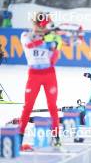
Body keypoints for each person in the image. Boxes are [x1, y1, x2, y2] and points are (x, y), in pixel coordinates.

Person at [19, 12, 62, 151]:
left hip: (49, 73)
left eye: (43, 26)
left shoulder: (49, 38)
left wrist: (56, 47)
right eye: (39, 25)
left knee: (52, 106)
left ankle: (56, 137)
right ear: (34, 24)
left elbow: (53, 60)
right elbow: (30, 45)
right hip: (34, 74)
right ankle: (19, 137)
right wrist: (44, 38)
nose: (41, 28)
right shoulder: (25, 36)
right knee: (28, 106)